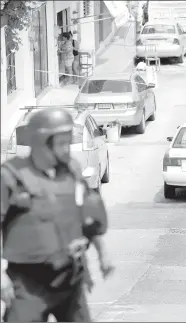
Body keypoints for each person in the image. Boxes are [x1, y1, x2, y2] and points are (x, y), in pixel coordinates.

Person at [1, 108, 115, 322]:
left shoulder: (71, 170)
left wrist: (102, 253)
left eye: (67, 143)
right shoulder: (11, 176)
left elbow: (89, 212)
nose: (67, 150)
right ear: (41, 143)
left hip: (69, 278)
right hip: (27, 284)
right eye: (61, 144)